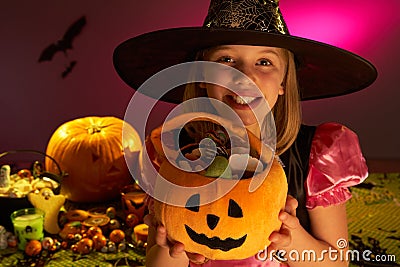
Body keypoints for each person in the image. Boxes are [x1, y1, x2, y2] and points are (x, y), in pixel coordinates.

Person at [113, 0, 377, 266]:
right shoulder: (173, 154)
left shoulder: (315, 154)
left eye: (264, 62)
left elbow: (337, 262)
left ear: (284, 81)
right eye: (226, 60)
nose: (244, 76)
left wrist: (290, 236)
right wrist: (170, 244)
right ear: (203, 76)